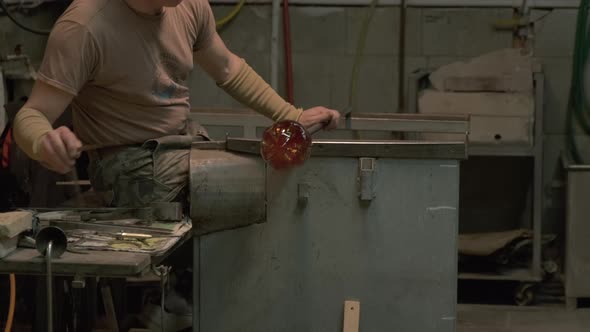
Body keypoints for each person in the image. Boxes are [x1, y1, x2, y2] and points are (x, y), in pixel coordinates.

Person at [12, 0, 341, 208]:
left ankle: (185, 299)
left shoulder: (189, 6)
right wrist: (43, 141)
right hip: (127, 163)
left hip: (183, 144)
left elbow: (227, 67)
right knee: (244, 181)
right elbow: (33, 114)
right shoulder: (84, 26)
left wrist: (292, 116)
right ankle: (172, 301)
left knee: (267, 168)